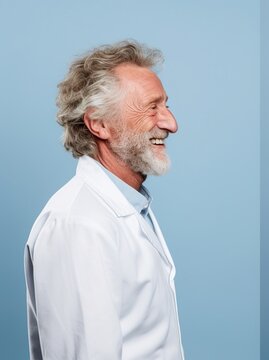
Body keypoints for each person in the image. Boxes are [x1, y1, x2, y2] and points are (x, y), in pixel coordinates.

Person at [24, 41, 183, 359]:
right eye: (152, 107)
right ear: (98, 124)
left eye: (166, 106)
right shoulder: (78, 224)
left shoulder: (128, 207)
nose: (171, 124)